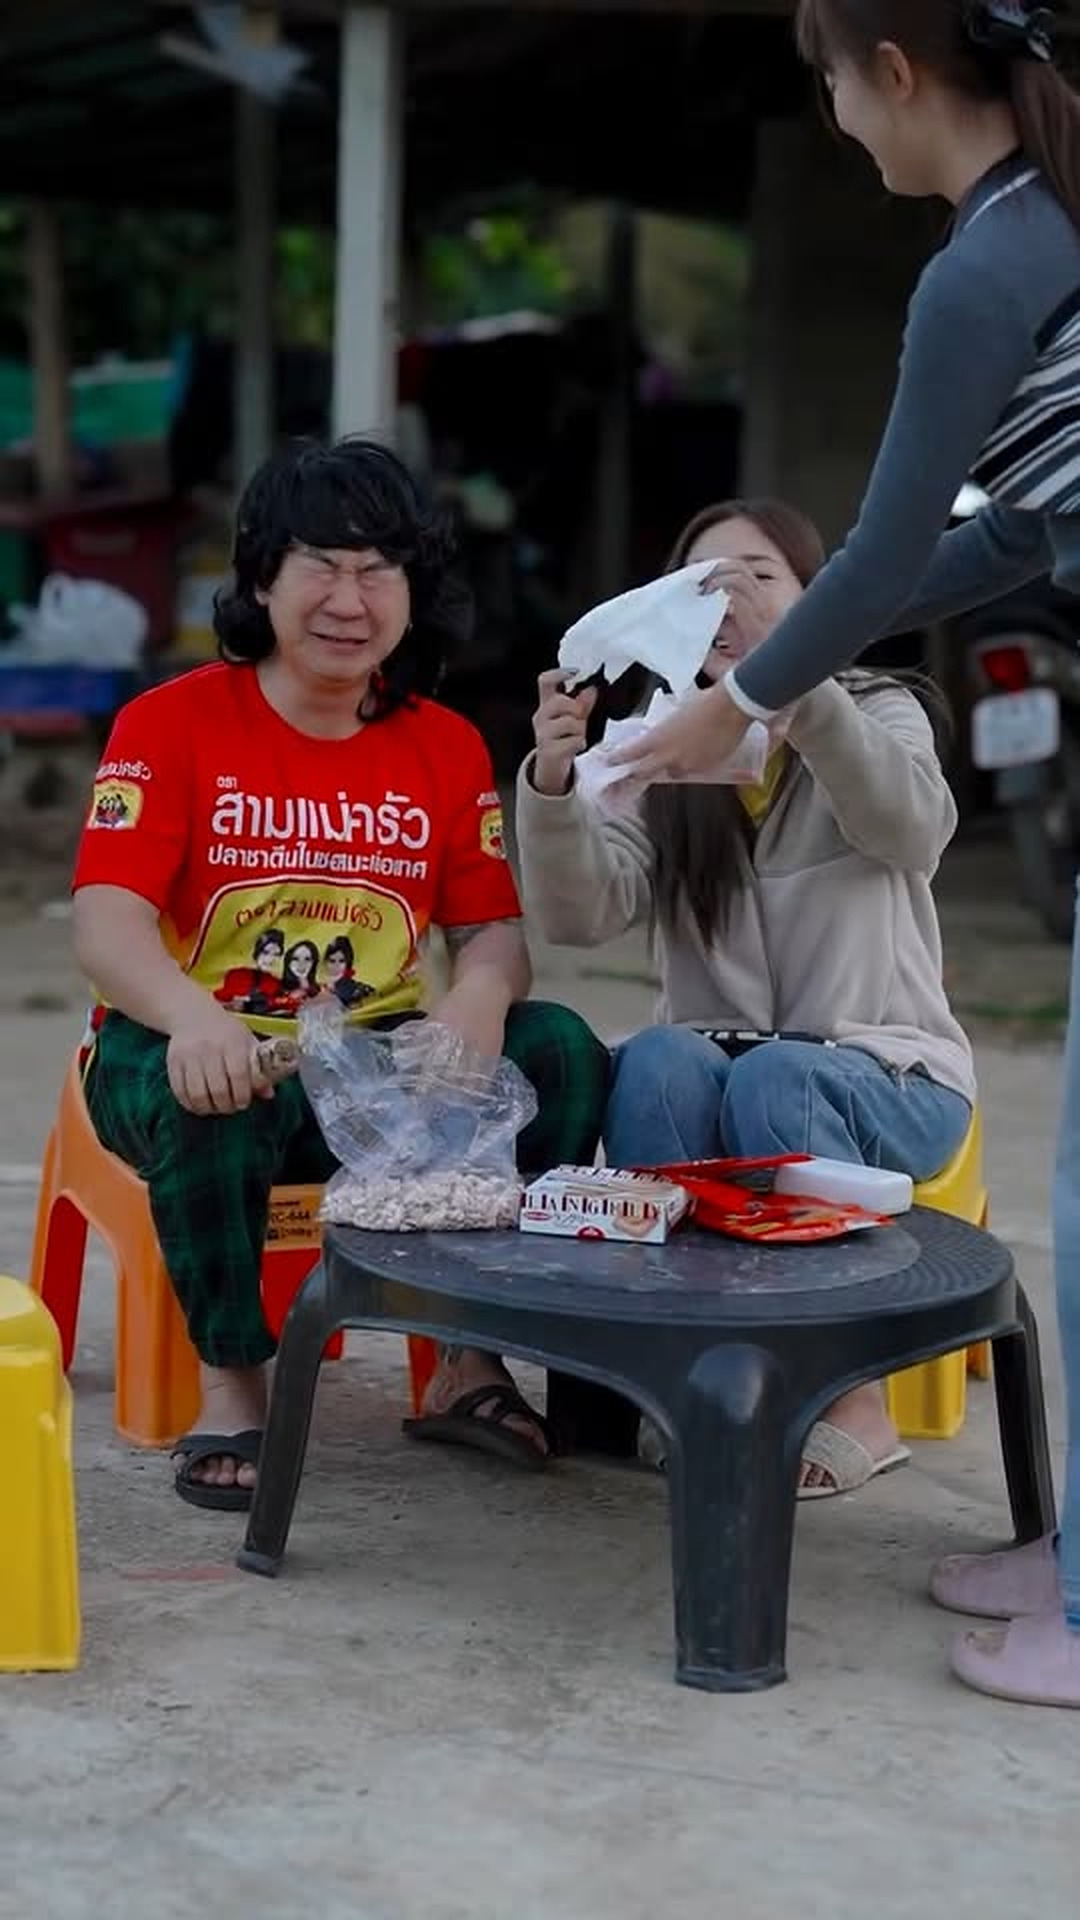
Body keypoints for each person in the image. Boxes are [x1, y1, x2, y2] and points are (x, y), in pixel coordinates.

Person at [608, 0, 1080, 1705]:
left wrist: (745, 700)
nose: (835, 118)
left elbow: (881, 546)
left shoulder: (991, 257)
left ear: (890, 68)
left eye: (827, 81)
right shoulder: (1042, 224)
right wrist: (771, 670)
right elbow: (1002, 538)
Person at [72, 436, 609, 1510]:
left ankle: (467, 1356)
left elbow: (493, 934)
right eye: (320, 564)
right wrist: (192, 1017)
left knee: (563, 1051)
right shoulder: (169, 724)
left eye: (379, 570)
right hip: (190, 1048)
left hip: (372, 1074)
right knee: (210, 1099)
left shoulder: (445, 746)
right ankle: (236, 1382)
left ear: (414, 591)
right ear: (263, 578)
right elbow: (105, 923)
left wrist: (477, 995)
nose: (349, 600)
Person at [517, 495, 975, 1494]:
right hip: (724, 1075)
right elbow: (581, 917)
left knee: (781, 1080)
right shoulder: (665, 739)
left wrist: (799, 692)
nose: (728, 604)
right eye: (701, 587)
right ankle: (686, 1380)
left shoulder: (877, 708)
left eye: (759, 580)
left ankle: (849, 1396)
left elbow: (913, 832)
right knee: (655, 1060)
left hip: (888, 1077)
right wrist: (553, 781)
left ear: (817, 601)